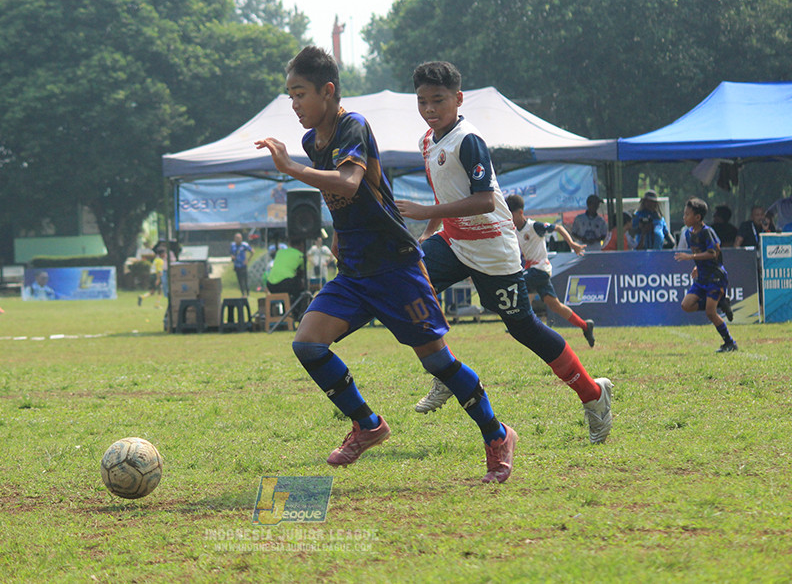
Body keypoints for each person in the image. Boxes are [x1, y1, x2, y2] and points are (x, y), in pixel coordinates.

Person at [255, 47, 517, 482]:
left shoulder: (352, 125)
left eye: (300, 93)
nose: (294, 104)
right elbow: (345, 199)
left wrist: (290, 170)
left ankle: (496, 434)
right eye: (290, 96)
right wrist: (340, 235)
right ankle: (368, 424)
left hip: (395, 268)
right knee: (308, 345)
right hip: (356, 272)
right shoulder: (310, 141)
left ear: (328, 91)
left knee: (437, 364)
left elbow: (349, 181)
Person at [396, 61, 612, 445]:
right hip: (453, 240)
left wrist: (427, 215)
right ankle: (448, 373)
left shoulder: (469, 139)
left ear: (459, 99)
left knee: (524, 328)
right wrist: (426, 235)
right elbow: (441, 195)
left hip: (492, 246)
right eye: (422, 101)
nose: (429, 109)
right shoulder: (427, 141)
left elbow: (481, 201)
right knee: (404, 284)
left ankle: (594, 397)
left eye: (438, 100)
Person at [507, 194, 596, 347]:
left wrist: (572, 244)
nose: (510, 219)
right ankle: (585, 326)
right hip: (534, 270)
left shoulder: (534, 226)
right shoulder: (515, 230)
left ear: (521, 213)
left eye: (511, 215)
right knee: (554, 305)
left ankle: (523, 326)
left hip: (540, 269)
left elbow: (559, 228)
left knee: (518, 282)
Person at [674, 197, 737, 352]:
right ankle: (721, 303)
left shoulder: (707, 232)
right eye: (684, 214)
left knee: (710, 312)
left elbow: (713, 252)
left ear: (697, 217)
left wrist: (691, 258)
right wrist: (697, 266)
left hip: (715, 277)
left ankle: (730, 343)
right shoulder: (689, 233)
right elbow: (699, 252)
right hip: (702, 276)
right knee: (686, 305)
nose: (684, 217)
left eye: (687, 214)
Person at [230, 232, 255, 297]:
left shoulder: (244, 245)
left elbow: (252, 251)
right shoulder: (233, 245)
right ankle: (243, 294)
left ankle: (248, 293)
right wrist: (232, 257)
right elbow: (231, 253)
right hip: (237, 265)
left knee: (245, 280)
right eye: (237, 238)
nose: (238, 239)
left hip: (243, 265)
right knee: (240, 280)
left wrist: (248, 260)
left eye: (239, 238)